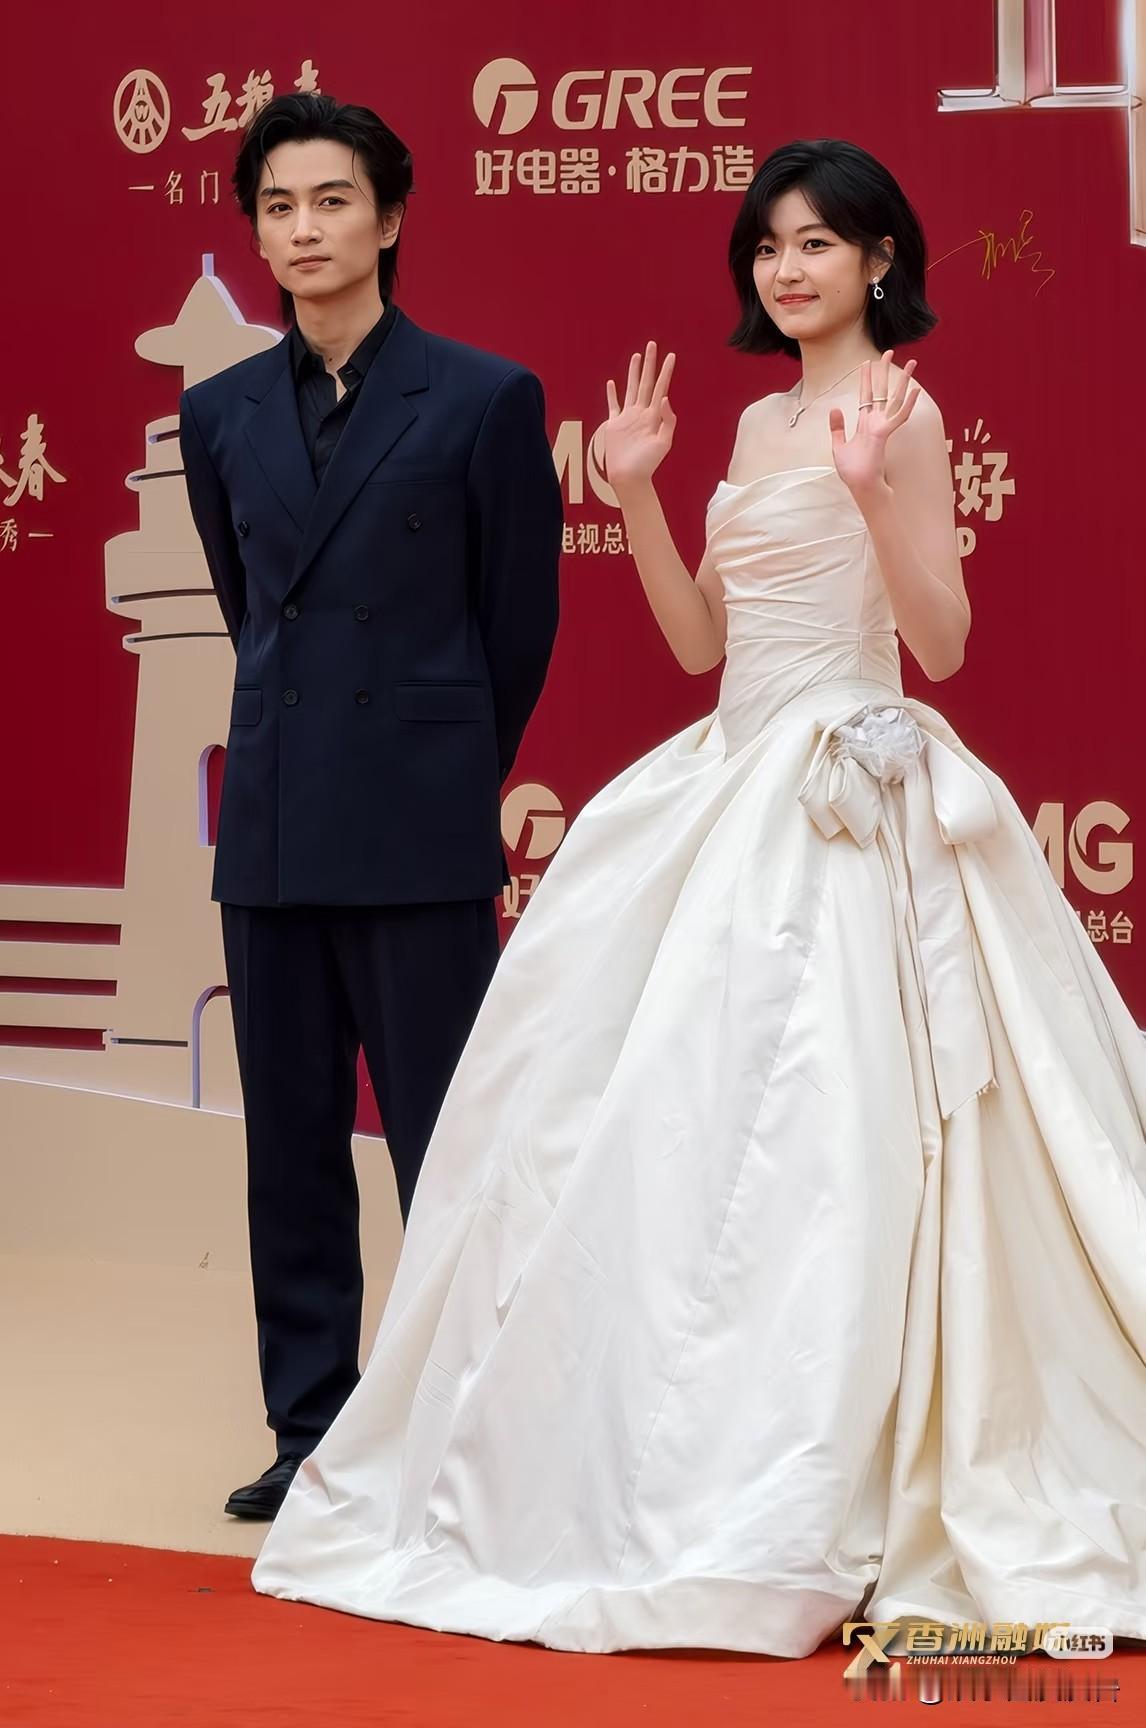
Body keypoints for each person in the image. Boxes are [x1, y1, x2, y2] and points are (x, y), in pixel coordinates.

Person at [251, 139, 1146, 1655]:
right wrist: (639, 495)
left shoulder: (901, 412)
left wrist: (869, 492)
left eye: (817, 243)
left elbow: (939, 643)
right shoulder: (749, 420)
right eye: (767, 247)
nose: (786, 270)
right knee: (662, 1123)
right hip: (726, 770)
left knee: (835, 1130)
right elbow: (694, 645)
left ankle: (839, 1452)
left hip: (843, 787)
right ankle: (654, 1445)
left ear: (879, 260)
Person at [178, 93, 562, 1521]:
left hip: (417, 822)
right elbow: (248, 606)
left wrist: (441, 762)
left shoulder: (481, 397)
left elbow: (514, 623)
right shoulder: (216, 411)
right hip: (274, 822)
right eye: (278, 206)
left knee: (446, 1145)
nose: (304, 230)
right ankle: (311, 1433)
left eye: (331, 200)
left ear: (389, 218)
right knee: (288, 1146)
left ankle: (467, 1428)